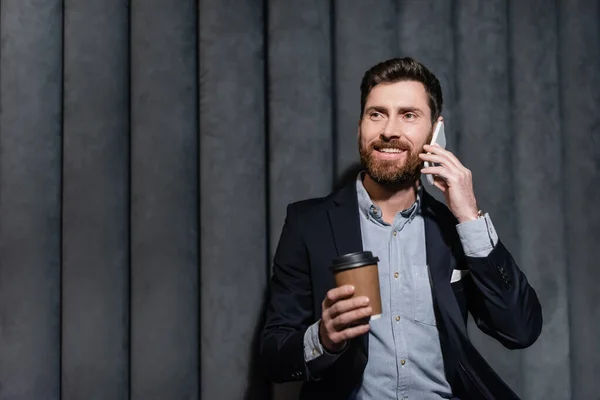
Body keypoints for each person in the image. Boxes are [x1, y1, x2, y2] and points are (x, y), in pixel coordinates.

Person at [260, 57, 542, 400]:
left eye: (408, 115)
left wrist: (469, 216)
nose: (389, 130)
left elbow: (520, 330)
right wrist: (323, 338)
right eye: (376, 114)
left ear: (434, 132)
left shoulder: (456, 230)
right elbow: (273, 356)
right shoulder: (308, 223)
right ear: (360, 124)